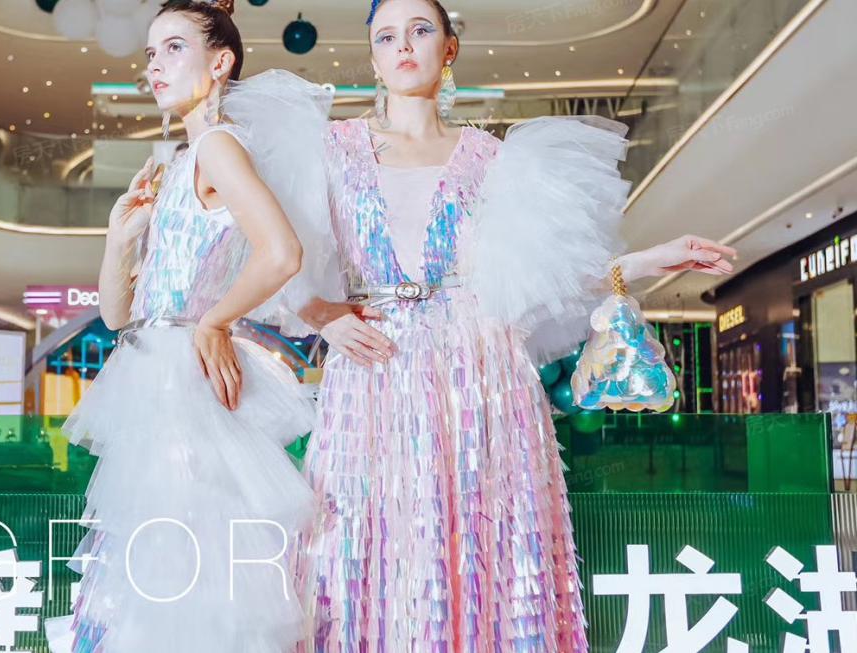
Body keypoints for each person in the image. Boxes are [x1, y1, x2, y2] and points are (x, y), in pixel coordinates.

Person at [290, 1, 738, 650]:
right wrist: (324, 318)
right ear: (374, 59)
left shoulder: (492, 158)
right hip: (372, 370)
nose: (403, 46)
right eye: (386, 37)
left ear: (449, 49)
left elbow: (547, 274)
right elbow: (276, 259)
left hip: (482, 375)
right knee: (359, 550)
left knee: (482, 546)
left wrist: (647, 261)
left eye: (420, 31)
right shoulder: (332, 151)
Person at [42, 1, 332, 651]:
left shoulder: (218, 146)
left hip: (182, 388)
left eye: (174, 48)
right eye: (150, 53)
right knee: (166, 570)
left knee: (178, 572)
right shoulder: (185, 159)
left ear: (221, 62)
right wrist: (120, 240)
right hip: (155, 373)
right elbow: (119, 317)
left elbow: (282, 253)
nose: (155, 65)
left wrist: (216, 322)